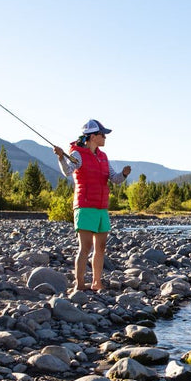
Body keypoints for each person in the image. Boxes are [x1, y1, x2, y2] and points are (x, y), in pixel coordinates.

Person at [53, 119, 131, 292]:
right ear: (93, 136)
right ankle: (79, 285)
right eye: (103, 134)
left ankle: (97, 282)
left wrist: (124, 174)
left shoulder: (103, 156)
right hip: (85, 205)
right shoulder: (78, 154)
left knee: (101, 248)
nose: (105, 138)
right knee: (85, 248)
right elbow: (67, 171)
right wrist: (60, 157)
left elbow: (115, 179)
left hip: (102, 207)